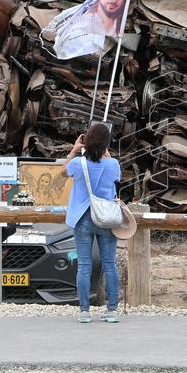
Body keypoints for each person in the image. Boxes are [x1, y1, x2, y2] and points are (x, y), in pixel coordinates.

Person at [63, 122, 123, 323]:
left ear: (86, 141)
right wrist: (103, 151)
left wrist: (74, 149)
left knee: (84, 265)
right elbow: (115, 176)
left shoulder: (78, 164)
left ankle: (84, 311)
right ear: (107, 143)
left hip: (82, 218)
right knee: (110, 263)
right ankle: (112, 309)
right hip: (106, 217)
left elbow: (63, 172)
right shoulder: (113, 164)